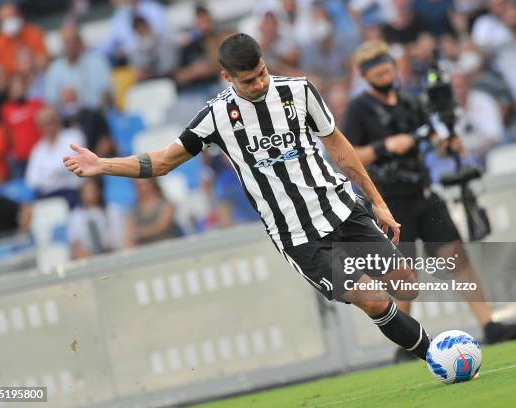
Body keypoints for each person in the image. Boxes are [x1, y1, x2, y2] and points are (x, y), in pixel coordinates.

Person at [64, 32, 438, 364]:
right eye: (249, 79)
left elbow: (338, 145)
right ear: (227, 77)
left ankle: (424, 347)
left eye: (262, 72)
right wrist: (102, 165)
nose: (260, 83)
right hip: (299, 236)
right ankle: (435, 355)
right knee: (371, 298)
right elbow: (162, 161)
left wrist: (377, 201)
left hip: (341, 209)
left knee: (406, 281)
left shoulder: (299, 91)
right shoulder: (215, 118)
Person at [341, 41, 516, 360]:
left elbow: (432, 139)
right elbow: (349, 155)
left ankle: (489, 325)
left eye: (389, 69)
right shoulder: (358, 109)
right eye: (379, 72)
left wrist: (448, 144)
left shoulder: (411, 102)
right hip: (390, 198)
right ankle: (406, 342)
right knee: (403, 270)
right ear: (365, 75)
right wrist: (385, 146)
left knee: (457, 256)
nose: (387, 76)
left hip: (423, 191)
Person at [45, 22, 112, 110]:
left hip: (96, 115)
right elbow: (51, 102)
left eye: (72, 41)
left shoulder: (97, 61)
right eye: (66, 42)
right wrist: (62, 101)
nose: (69, 46)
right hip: (67, 119)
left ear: (79, 41)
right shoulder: (55, 69)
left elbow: (107, 92)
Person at [26, 106, 84, 208]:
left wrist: (47, 176)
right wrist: (55, 174)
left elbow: (73, 167)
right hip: (47, 196)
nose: (48, 127)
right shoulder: (37, 149)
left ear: (58, 121)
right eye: (43, 125)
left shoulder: (74, 136)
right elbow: (32, 180)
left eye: (50, 122)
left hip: (71, 193)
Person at [0, 74, 43, 178]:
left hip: (38, 154)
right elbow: (6, 133)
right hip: (18, 158)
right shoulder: (6, 109)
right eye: (14, 88)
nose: (18, 91)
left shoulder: (36, 104)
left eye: (20, 87)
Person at [0, 3, 48, 76]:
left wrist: (29, 64)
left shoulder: (34, 33)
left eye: (11, 17)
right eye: (5, 19)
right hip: (14, 81)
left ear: (19, 16)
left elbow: (43, 61)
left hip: (36, 76)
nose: (9, 21)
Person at [127, 178, 182, 246]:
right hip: (145, 248)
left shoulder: (165, 204)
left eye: (143, 185)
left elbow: (161, 226)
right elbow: (130, 232)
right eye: (138, 185)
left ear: (152, 184)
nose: (141, 189)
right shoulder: (134, 209)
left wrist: (139, 233)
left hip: (167, 244)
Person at [68, 177, 112, 259]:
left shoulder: (109, 211)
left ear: (98, 191)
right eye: (86, 192)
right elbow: (75, 245)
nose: (90, 195)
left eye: (92, 191)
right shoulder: (75, 216)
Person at [130, 14, 178, 81]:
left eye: (143, 27)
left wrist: (150, 72)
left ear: (149, 26)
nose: (142, 31)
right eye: (138, 30)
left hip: (167, 80)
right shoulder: (136, 50)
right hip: (148, 83)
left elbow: (169, 67)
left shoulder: (164, 41)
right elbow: (138, 73)